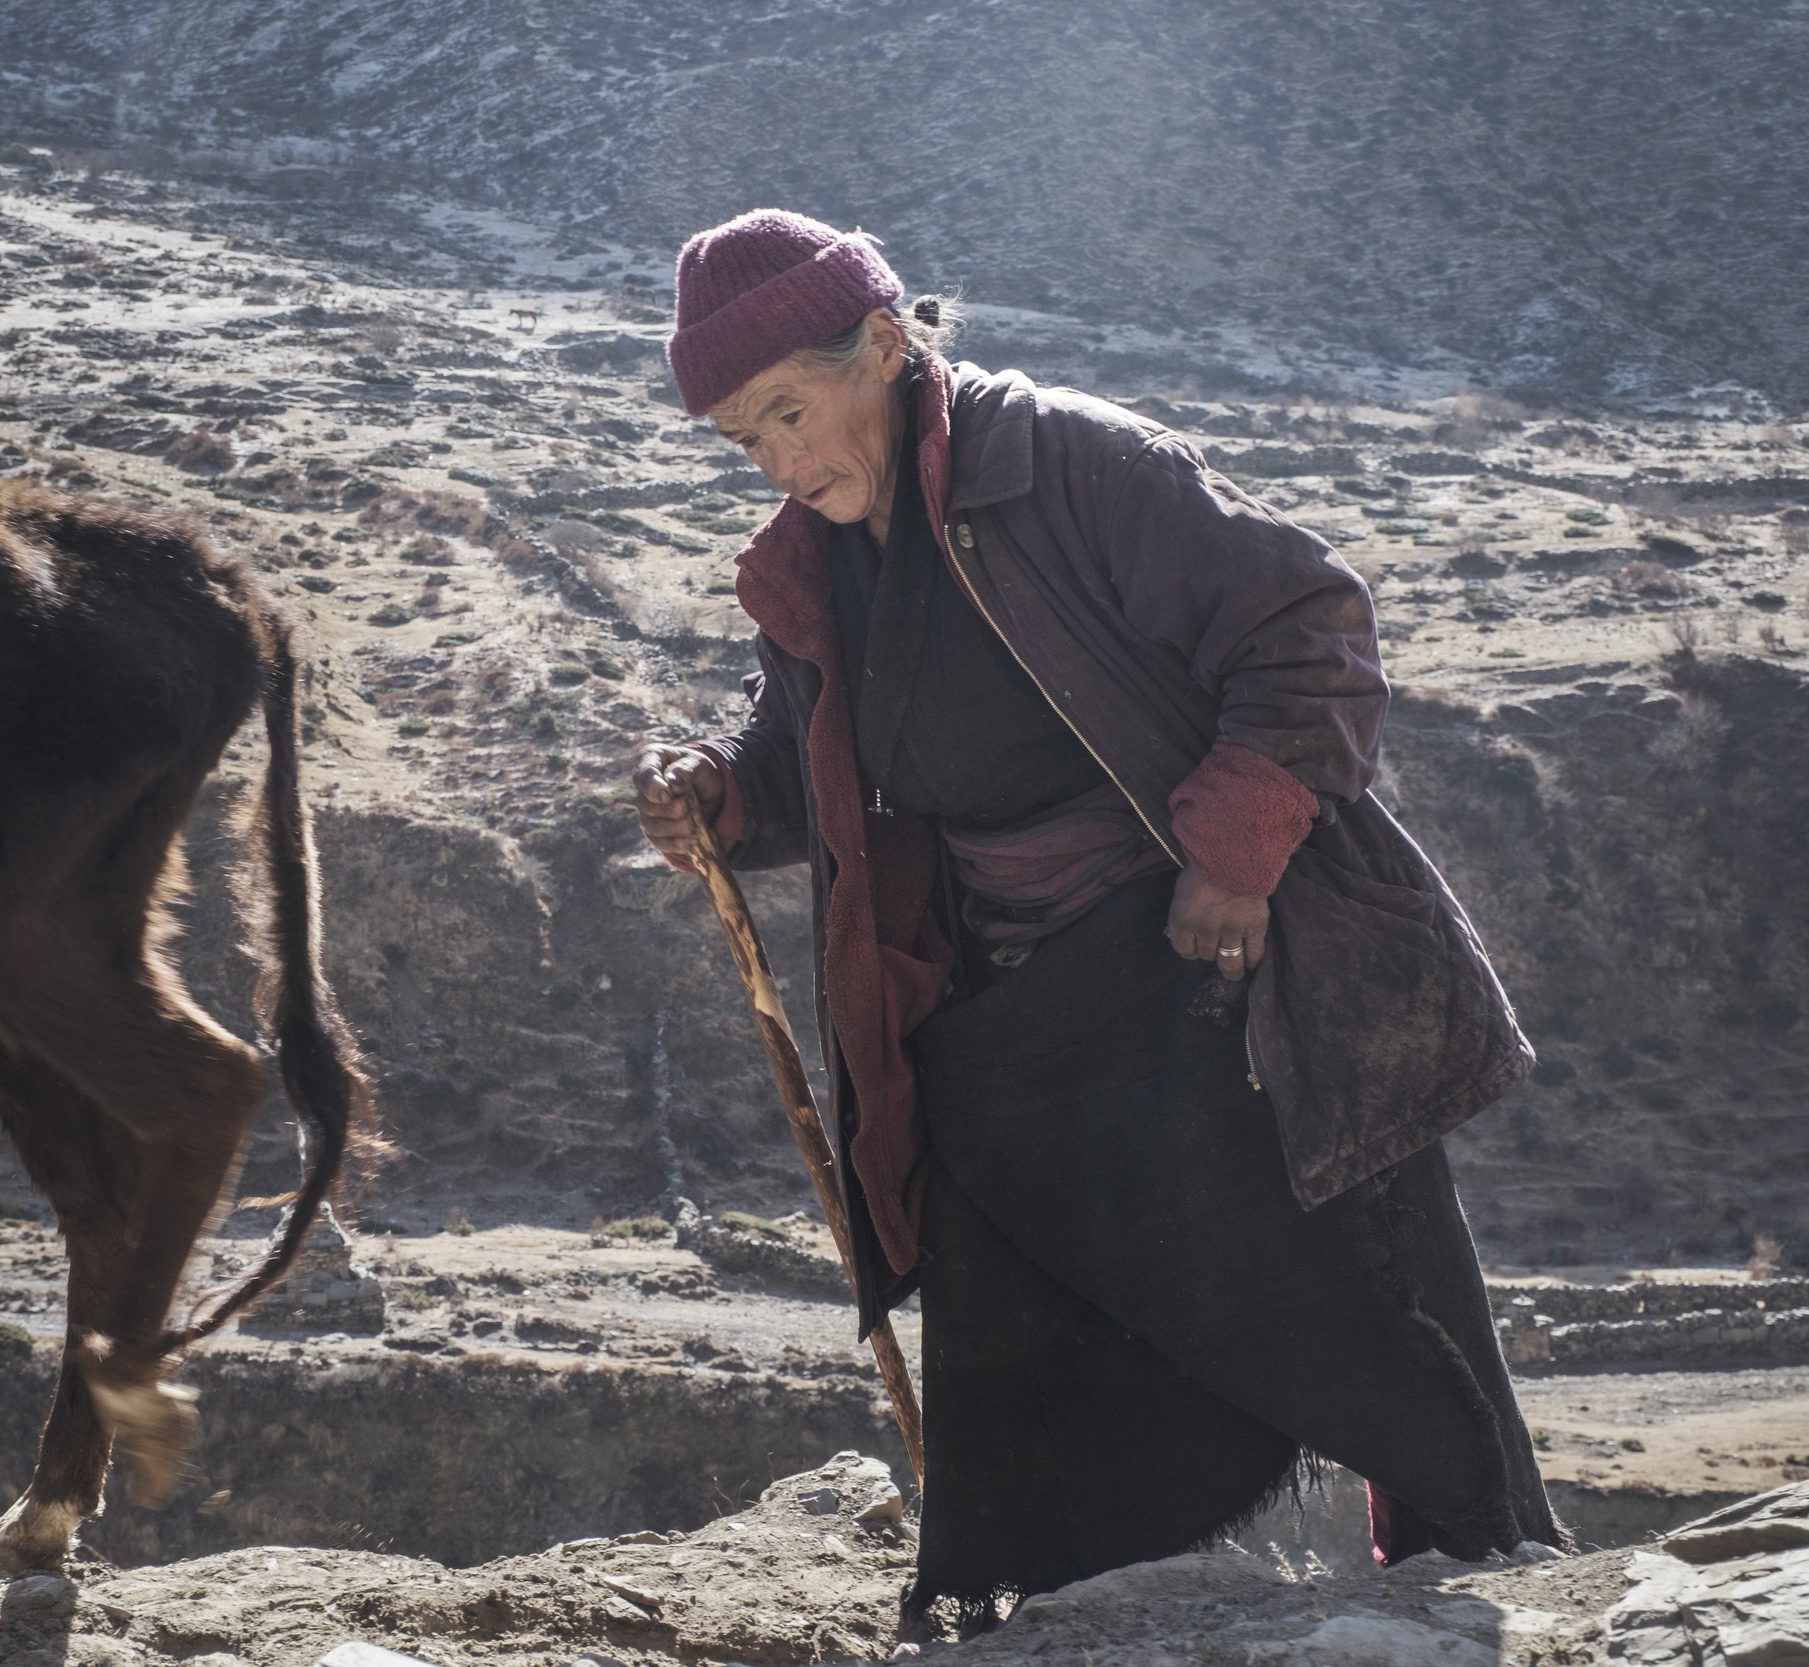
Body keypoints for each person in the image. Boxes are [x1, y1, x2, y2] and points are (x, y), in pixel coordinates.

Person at [631, 208, 1564, 1633]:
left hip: (1203, 979)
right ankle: (1047, 1619)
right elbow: (809, 741)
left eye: (788, 415)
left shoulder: (1073, 463)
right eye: (742, 438)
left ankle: (1473, 1574)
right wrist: (721, 790)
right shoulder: (819, 562)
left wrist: (1233, 859)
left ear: (880, 345)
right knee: (1028, 1358)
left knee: (1357, 1317)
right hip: (1006, 1013)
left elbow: (1309, 629)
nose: (776, 463)